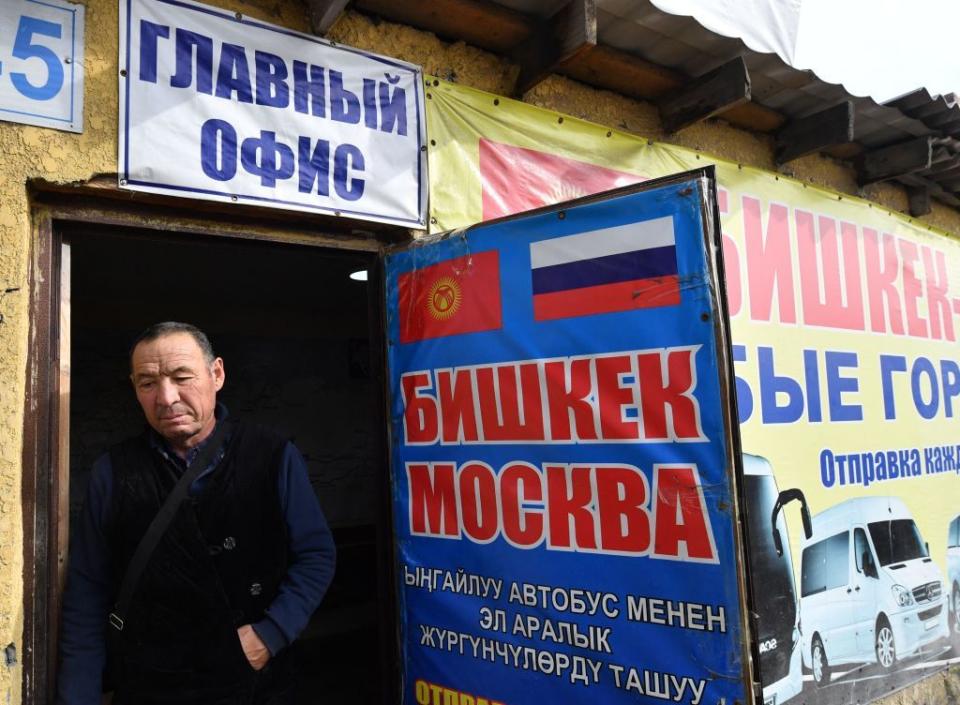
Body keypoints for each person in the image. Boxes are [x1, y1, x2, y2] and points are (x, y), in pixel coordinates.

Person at [57, 322, 337, 705]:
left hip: (256, 685)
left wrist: (271, 634)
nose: (166, 397)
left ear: (216, 374)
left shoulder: (271, 455)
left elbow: (317, 555)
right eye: (147, 383)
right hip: (152, 685)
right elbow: (87, 593)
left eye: (181, 377)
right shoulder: (114, 471)